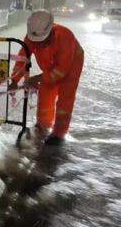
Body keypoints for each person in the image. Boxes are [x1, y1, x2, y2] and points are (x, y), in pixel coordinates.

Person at [10, 10, 84, 146]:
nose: (38, 44)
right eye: (36, 42)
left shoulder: (65, 36)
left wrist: (37, 78)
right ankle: (43, 126)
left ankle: (59, 133)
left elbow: (61, 71)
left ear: (50, 31)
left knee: (65, 100)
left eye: (42, 41)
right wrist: (14, 79)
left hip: (72, 65)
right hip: (50, 66)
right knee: (45, 93)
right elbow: (22, 58)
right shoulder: (33, 35)